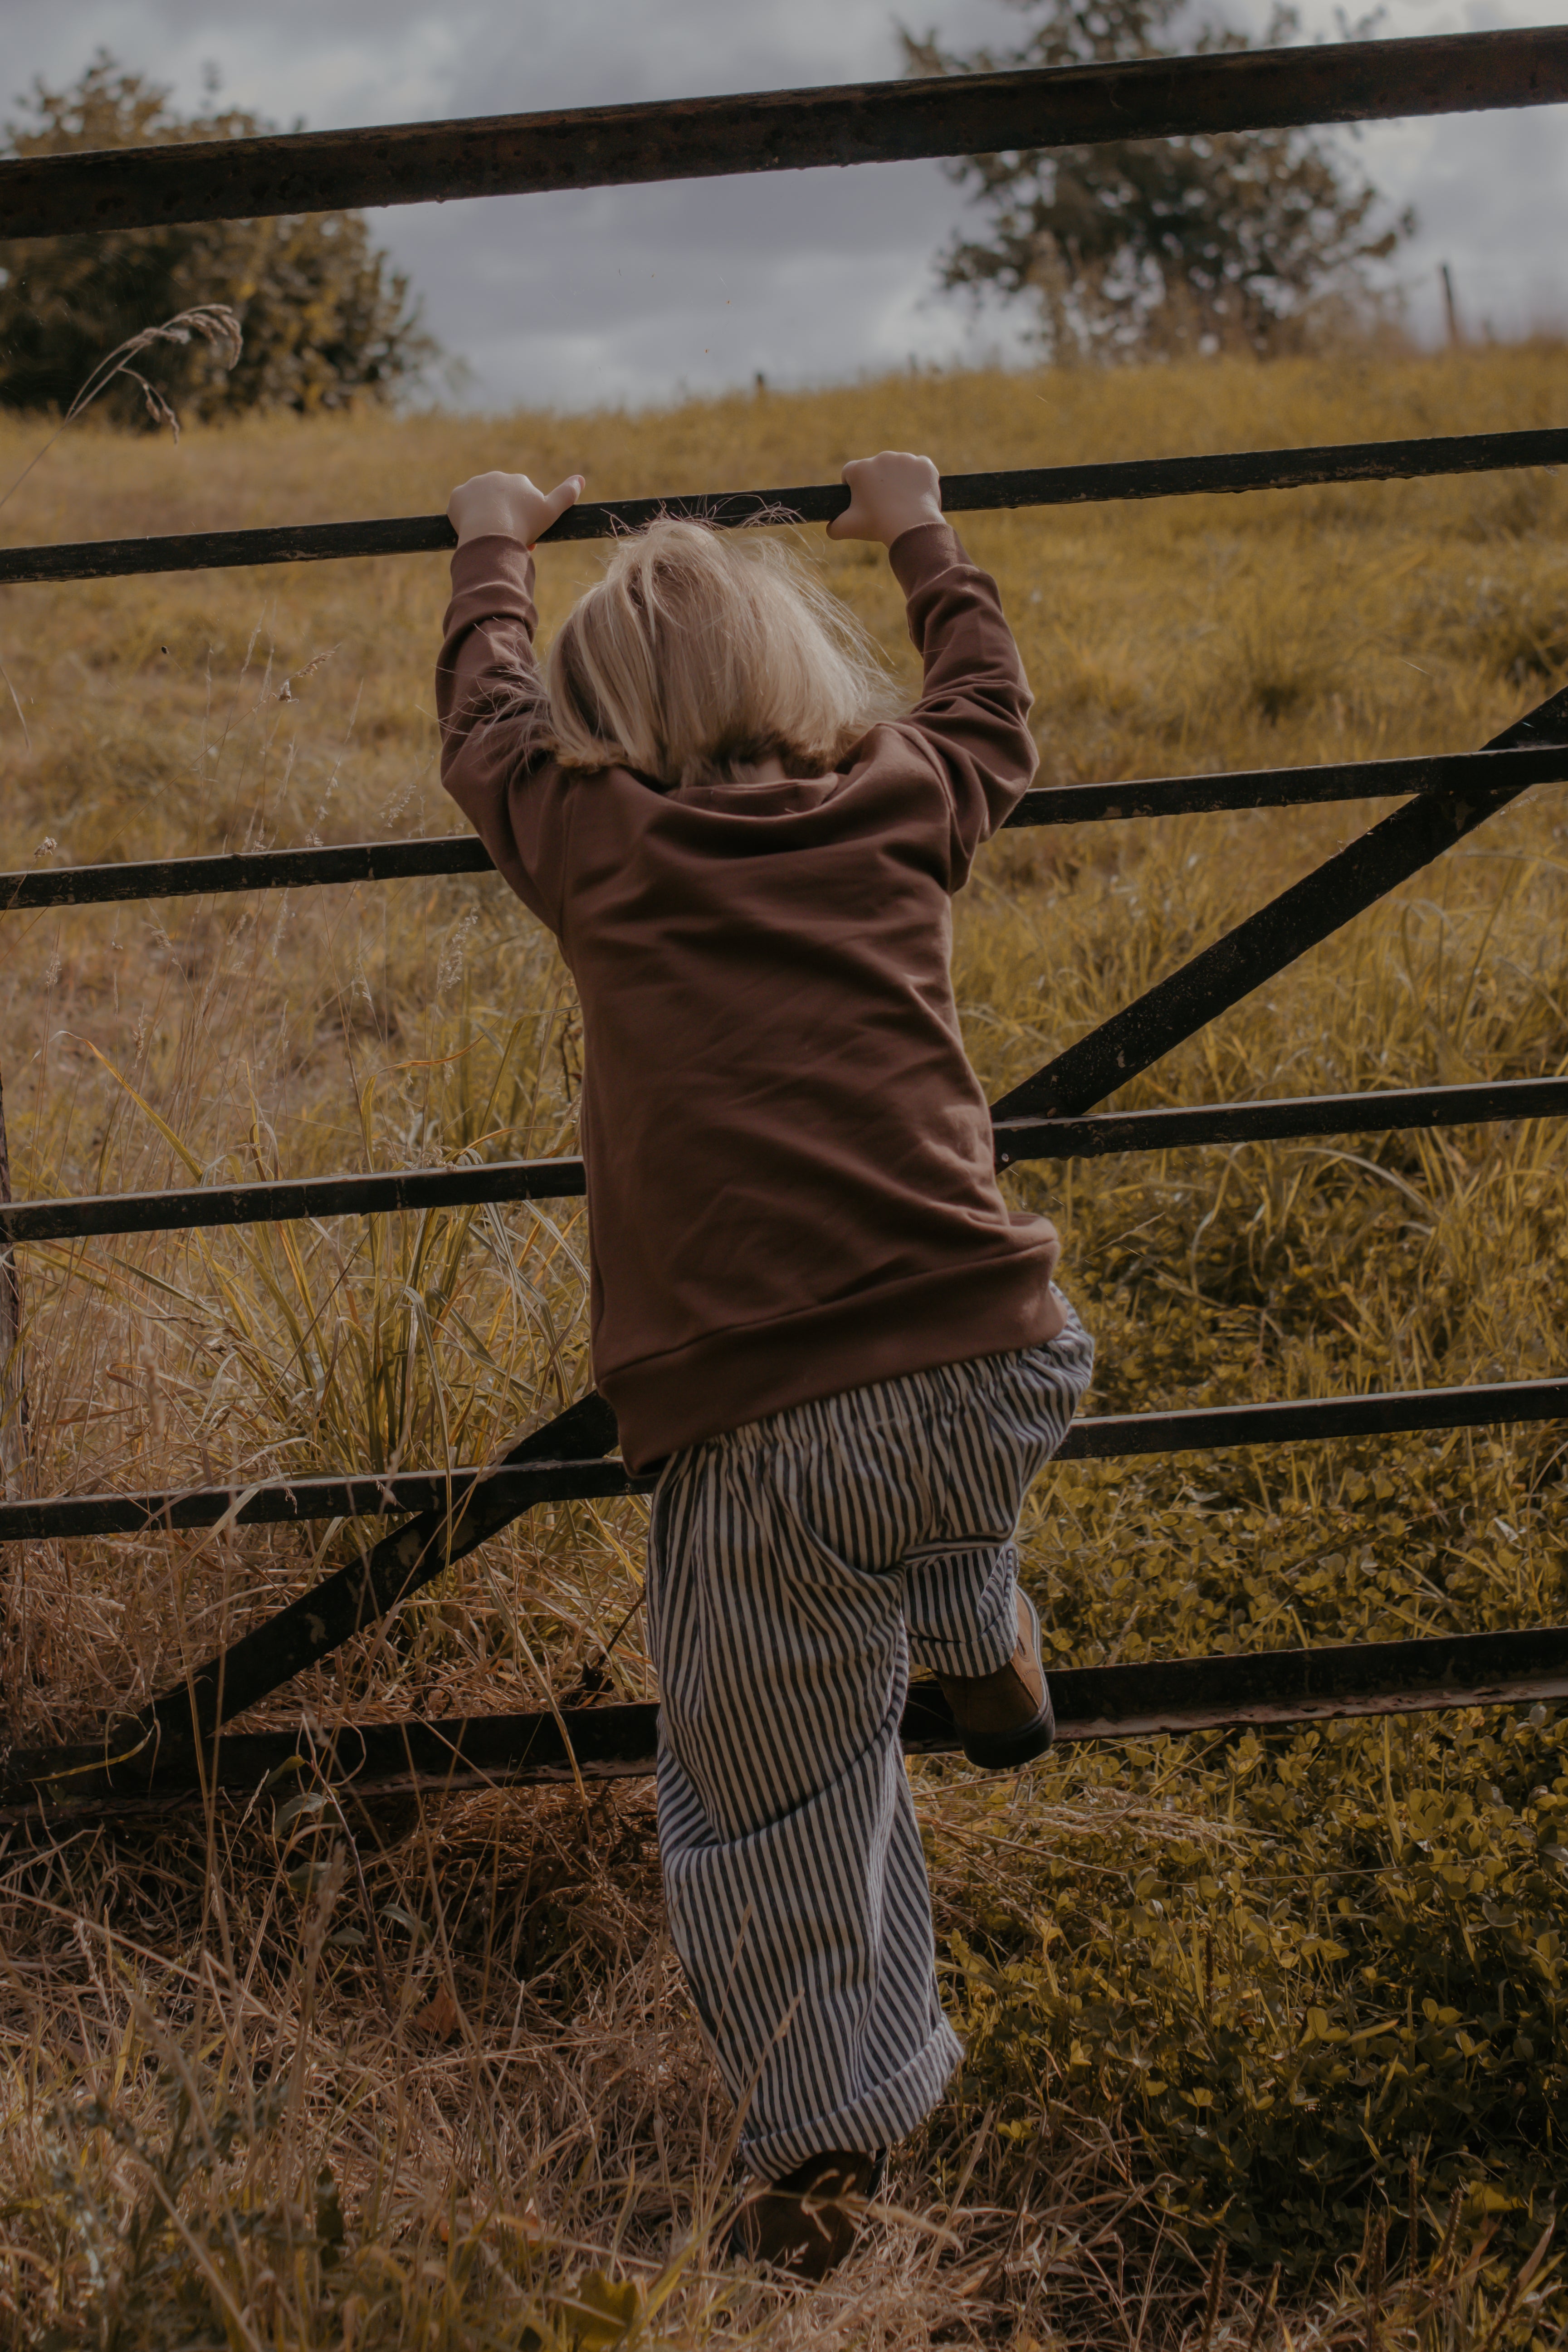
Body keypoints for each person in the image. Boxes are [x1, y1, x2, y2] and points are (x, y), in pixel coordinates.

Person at [435, 452, 1094, 2279]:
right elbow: (991, 700)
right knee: (926, 1485)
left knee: (771, 1794)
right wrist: (918, 532)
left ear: (598, 719)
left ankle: (820, 2141)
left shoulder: (592, 837)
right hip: (1001, 1352)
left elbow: (482, 725)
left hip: (764, 1419)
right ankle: (973, 1625)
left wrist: (491, 544)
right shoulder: (904, 788)